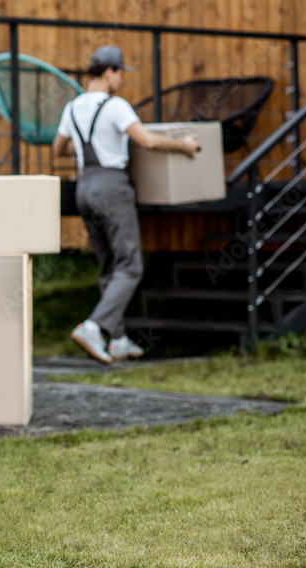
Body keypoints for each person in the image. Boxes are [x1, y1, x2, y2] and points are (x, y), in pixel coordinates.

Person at [53, 45, 199, 365]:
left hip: (84, 188)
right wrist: (183, 146)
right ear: (109, 73)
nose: (120, 80)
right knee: (130, 265)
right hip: (111, 187)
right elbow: (147, 140)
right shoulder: (116, 105)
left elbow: (59, 149)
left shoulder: (73, 107)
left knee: (109, 266)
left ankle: (117, 340)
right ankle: (93, 327)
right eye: (120, 73)